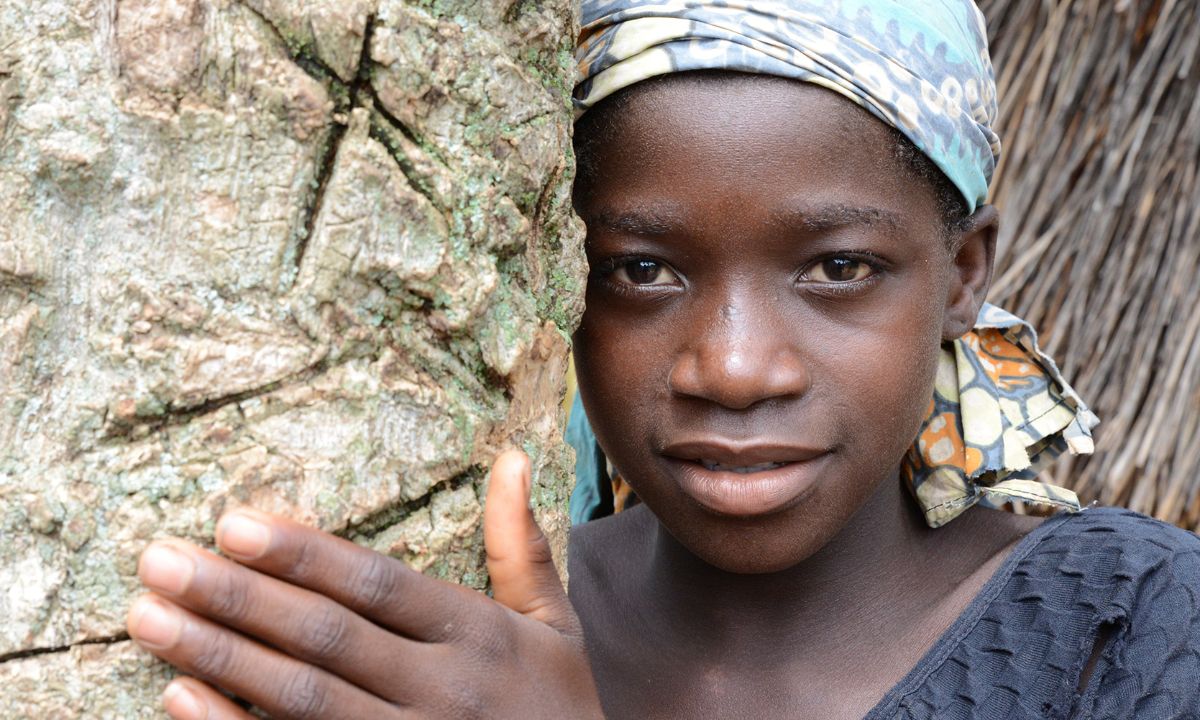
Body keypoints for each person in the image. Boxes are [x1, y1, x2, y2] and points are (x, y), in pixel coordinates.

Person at [125, 1, 1200, 718]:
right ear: (557, 277)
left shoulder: (1131, 626)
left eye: (835, 268)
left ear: (962, 273)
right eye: (642, 270)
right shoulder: (448, 623)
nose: (733, 369)